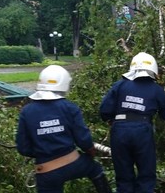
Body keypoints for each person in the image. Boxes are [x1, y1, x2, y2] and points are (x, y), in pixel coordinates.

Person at [16, 65, 112, 193]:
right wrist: (90, 150)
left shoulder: (26, 112)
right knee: (95, 169)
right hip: (74, 163)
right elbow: (83, 140)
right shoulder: (69, 108)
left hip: (46, 171)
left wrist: (42, 152)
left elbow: (23, 148)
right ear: (64, 84)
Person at [99, 52, 165, 193]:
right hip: (142, 132)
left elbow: (104, 110)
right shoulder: (156, 90)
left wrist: (112, 120)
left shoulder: (119, 85)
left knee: (124, 177)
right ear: (153, 70)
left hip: (119, 131)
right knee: (146, 175)